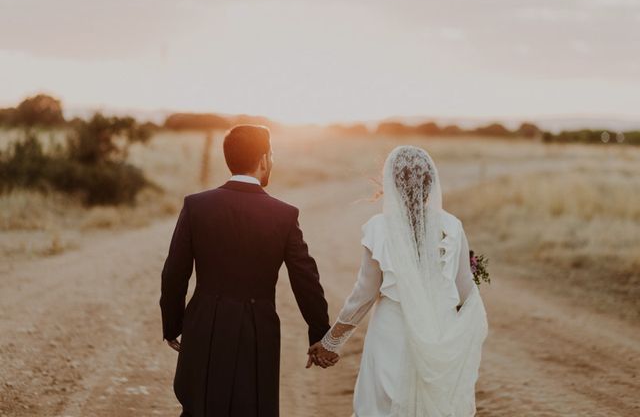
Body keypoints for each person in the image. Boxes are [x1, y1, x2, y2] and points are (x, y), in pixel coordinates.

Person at [160, 124, 332, 417]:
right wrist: (319, 333)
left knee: (200, 407)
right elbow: (305, 278)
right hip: (257, 329)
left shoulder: (197, 206)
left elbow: (174, 273)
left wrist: (173, 324)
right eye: (272, 154)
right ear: (263, 159)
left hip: (203, 325)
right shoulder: (284, 215)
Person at [309, 145, 488, 416]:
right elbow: (465, 294)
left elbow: (364, 294)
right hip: (437, 334)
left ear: (392, 184)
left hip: (391, 337)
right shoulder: (452, 227)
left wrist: (331, 342)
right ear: (430, 183)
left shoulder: (379, 229)